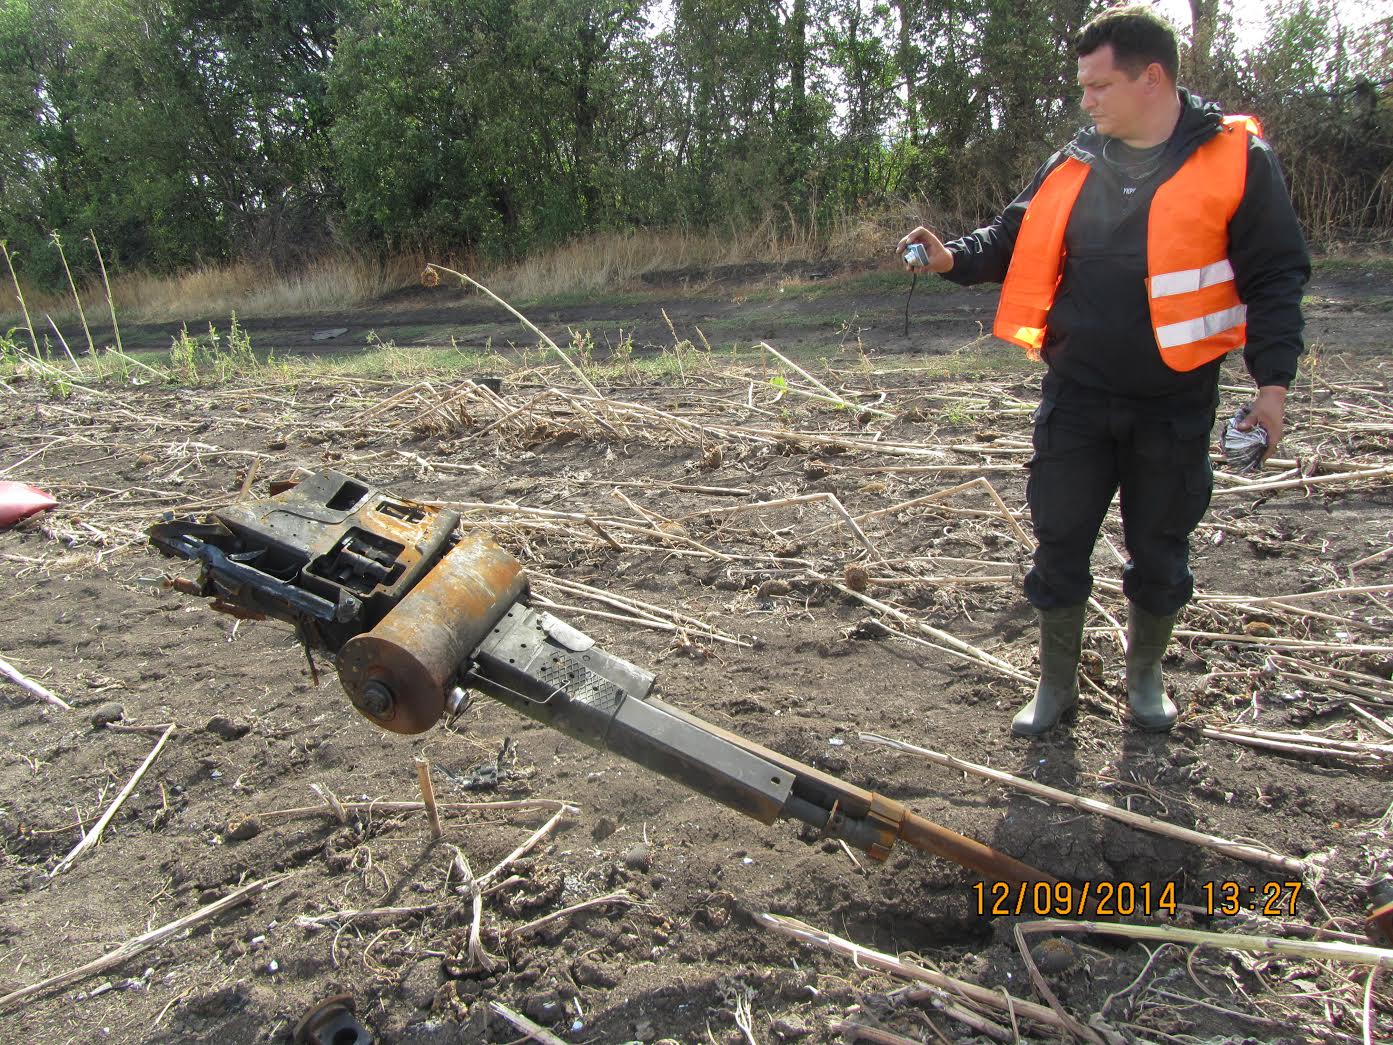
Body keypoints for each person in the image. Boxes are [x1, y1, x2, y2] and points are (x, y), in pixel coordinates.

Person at [898, 4, 1308, 735]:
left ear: (1150, 79)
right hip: (1077, 396)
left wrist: (1270, 389)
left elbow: (1275, 276)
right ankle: (1055, 688)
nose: (1083, 101)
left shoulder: (1238, 162)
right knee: (1058, 543)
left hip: (1174, 402)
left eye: (1096, 85)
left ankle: (1144, 679)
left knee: (1160, 549)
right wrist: (952, 257)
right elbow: (1009, 234)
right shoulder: (1076, 160)